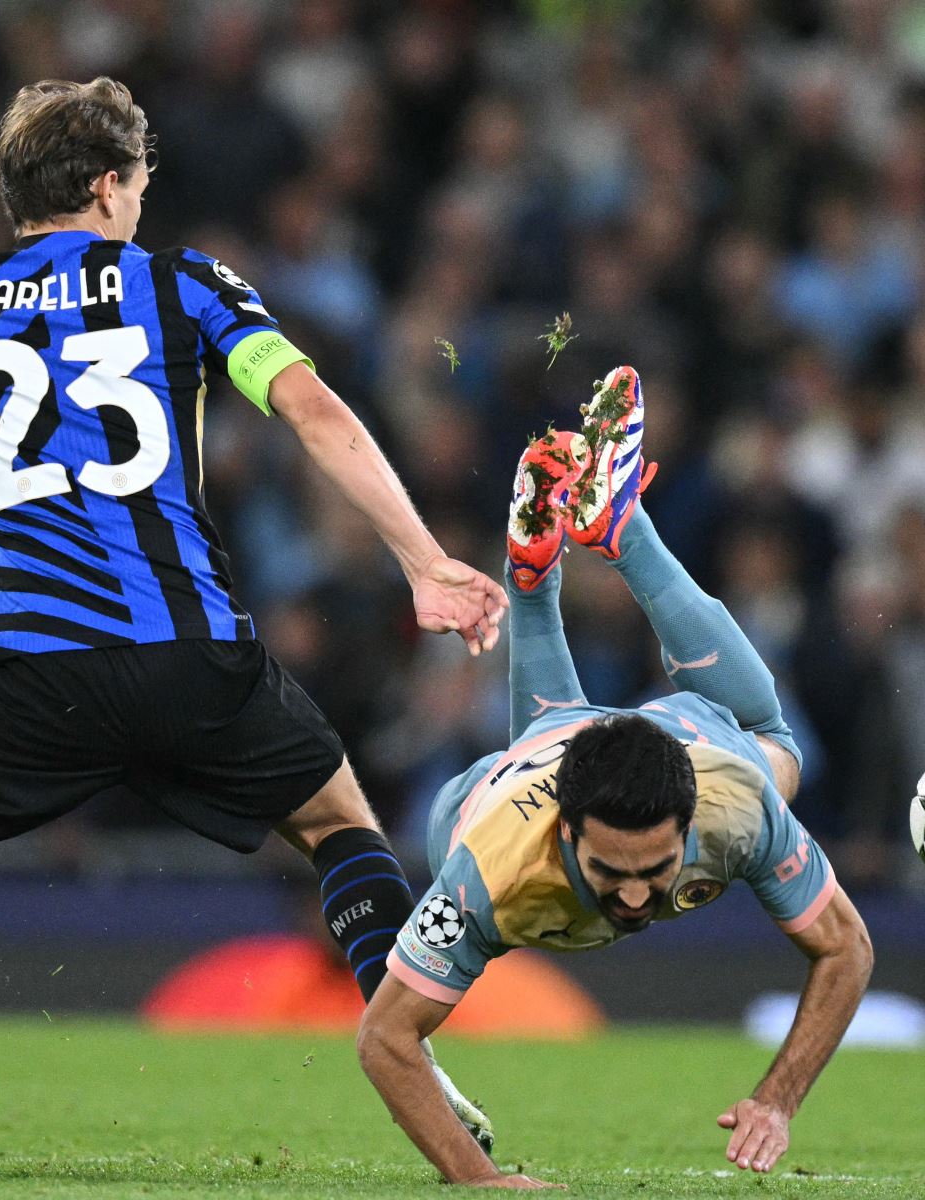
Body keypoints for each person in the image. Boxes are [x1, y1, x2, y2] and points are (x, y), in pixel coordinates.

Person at [0, 77, 507, 1168]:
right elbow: (313, 408)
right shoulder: (183, 285)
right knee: (341, 833)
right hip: (193, 657)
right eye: (137, 182)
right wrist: (424, 561)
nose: (142, 201)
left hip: (30, 672)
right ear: (106, 186)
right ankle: (417, 1067)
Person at [358, 367, 873, 1188]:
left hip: (652, 735)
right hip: (497, 794)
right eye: (611, 871)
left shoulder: (732, 801)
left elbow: (847, 948)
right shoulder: (485, 875)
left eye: (654, 869)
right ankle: (612, 530)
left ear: (689, 824)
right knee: (766, 736)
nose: (637, 898)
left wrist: (778, 1098)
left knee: (755, 748)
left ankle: (537, 571)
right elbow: (384, 1039)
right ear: (565, 833)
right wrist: (480, 1184)